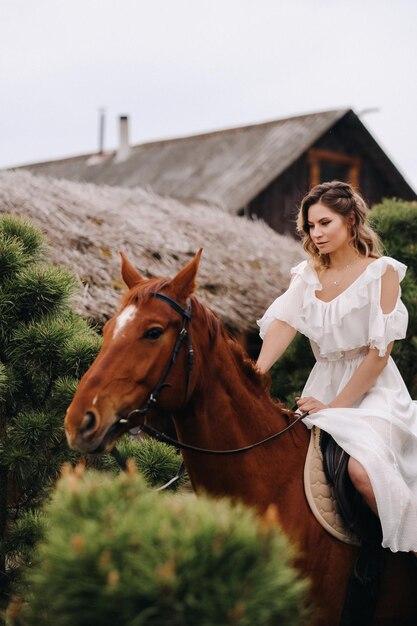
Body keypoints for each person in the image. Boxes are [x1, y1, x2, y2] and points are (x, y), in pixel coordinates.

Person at [256, 180, 417, 553]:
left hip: (374, 391)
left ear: (351, 220)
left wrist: (335, 407)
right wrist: (255, 373)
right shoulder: (307, 274)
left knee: (362, 471)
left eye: (325, 223)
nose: (317, 233)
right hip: (323, 383)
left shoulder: (383, 272)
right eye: (311, 226)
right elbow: (283, 326)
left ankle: (408, 557)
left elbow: (379, 355)